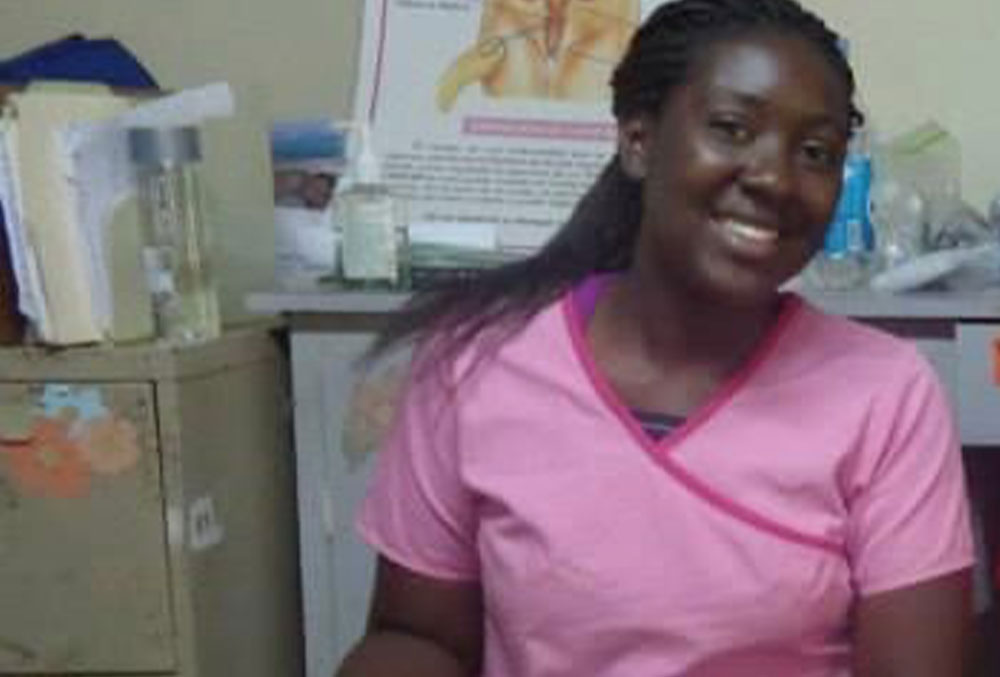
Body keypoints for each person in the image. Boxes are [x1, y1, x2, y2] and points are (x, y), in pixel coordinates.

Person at [339, 0, 975, 675]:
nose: (775, 177)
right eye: (732, 129)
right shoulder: (475, 362)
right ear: (639, 140)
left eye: (815, 152)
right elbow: (417, 637)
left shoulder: (884, 394)